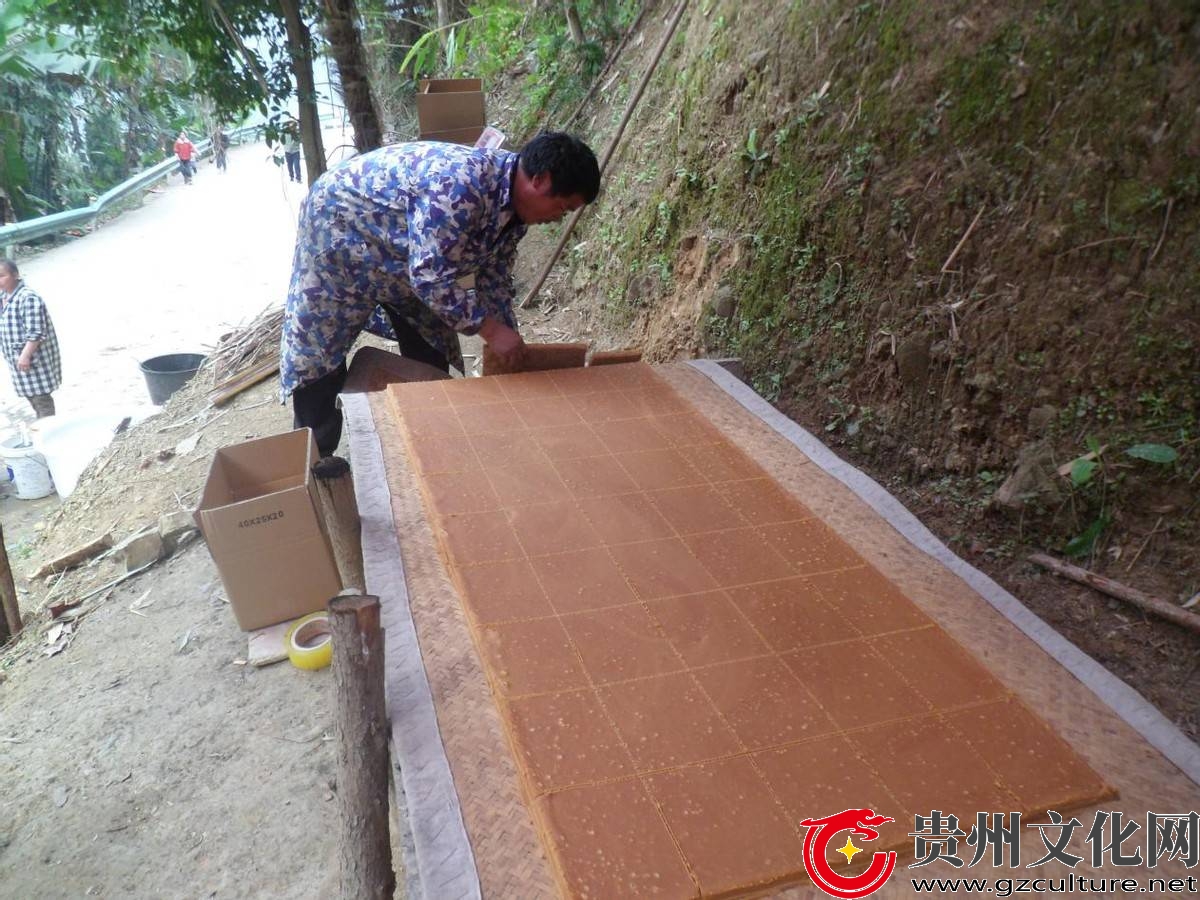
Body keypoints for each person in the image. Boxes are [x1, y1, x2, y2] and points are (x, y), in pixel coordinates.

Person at [281, 131, 600, 457]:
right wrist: (490, 330)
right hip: (339, 236)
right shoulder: (460, 187)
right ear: (539, 180)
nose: (557, 219)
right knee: (319, 358)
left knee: (431, 344)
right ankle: (316, 465)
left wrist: (507, 334)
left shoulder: (515, 209)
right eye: (562, 208)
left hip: (406, 255)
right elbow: (430, 280)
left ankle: (427, 439)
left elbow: (494, 277)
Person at [0, 258, 61, 419]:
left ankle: (49, 427)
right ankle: (44, 425)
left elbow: (36, 332)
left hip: (32, 359)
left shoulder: (28, 298)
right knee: (32, 397)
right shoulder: (4, 296)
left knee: (41, 399)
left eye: (2, 276)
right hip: (17, 359)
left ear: (15, 275)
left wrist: (25, 356)